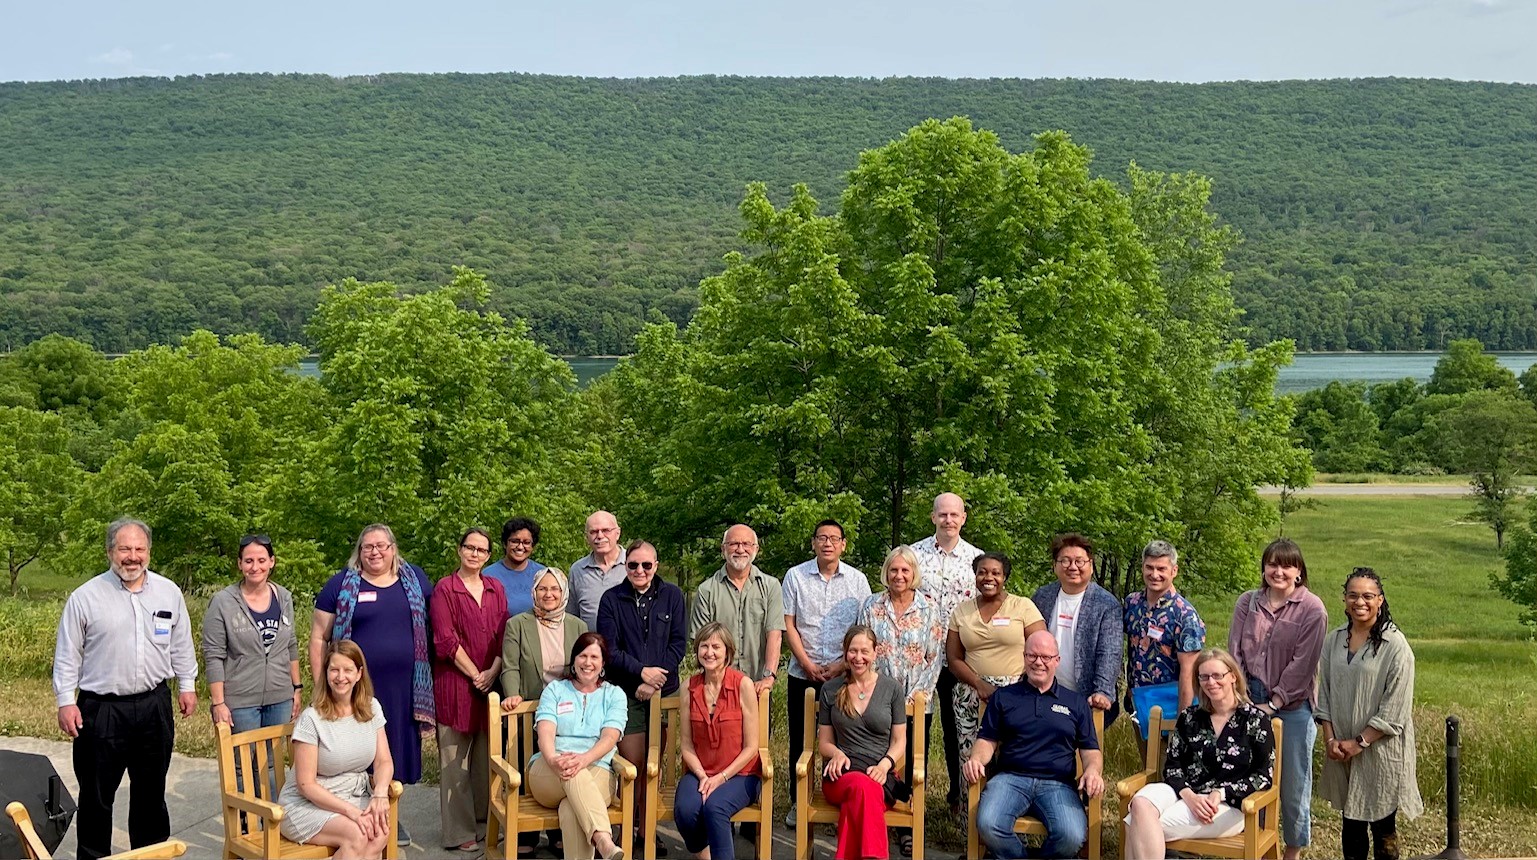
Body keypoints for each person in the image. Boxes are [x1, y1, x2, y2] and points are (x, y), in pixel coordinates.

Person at [53, 518, 198, 860]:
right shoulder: (85, 597)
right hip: (101, 710)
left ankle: (149, 856)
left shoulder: (168, 592)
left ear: (149, 551)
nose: (132, 557)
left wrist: (187, 685)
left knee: (151, 794)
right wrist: (65, 701)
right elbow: (68, 653)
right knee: (96, 796)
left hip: (153, 706)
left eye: (139, 549)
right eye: (124, 549)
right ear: (110, 552)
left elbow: (181, 644)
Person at [309, 523, 434, 848]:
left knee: (394, 750)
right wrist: (321, 685)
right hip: (351, 688)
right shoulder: (340, 585)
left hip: (405, 688)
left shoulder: (416, 580)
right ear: (359, 551)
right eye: (368, 547)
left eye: (382, 546)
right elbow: (319, 637)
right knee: (356, 749)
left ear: (393, 548)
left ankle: (390, 812)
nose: (375, 552)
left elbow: (433, 623)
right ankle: (353, 814)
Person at [1227, 538, 1328, 860]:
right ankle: (1255, 844)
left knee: (1292, 784)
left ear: (1299, 571)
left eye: (1287, 565)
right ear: (1264, 568)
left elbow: (1304, 663)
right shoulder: (1248, 602)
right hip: (1246, 699)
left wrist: (1272, 705)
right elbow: (1235, 652)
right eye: (1272, 564)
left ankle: (1292, 851)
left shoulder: (1312, 609)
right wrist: (1241, 698)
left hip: (1293, 707)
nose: (1278, 571)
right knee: (1248, 776)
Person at [1123, 648, 1275, 859]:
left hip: (1228, 805)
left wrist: (1220, 793)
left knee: (1135, 823)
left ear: (1232, 676)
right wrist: (1188, 795)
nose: (1211, 682)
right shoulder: (1190, 718)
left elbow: (1263, 776)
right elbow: (1172, 767)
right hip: (1183, 794)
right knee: (1140, 804)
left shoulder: (1255, 720)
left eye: (1217, 675)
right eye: (1204, 677)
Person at [966, 631, 1104, 860]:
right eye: (1032, 656)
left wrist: (1092, 771)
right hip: (1010, 779)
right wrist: (976, 760)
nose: (1038, 662)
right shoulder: (1004, 697)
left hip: (1058, 784)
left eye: (1046, 657)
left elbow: (1090, 751)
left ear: (1057, 661)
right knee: (989, 824)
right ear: (1024, 657)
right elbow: (987, 740)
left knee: (1071, 836)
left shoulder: (1075, 702)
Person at [1317, 568, 1422, 860]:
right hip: (1341, 750)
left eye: (1367, 596)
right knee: (1351, 824)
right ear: (1344, 599)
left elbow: (1395, 707)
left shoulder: (1395, 645)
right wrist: (1331, 741)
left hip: (1380, 751)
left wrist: (1359, 742)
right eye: (1353, 595)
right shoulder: (1334, 640)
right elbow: (1323, 692)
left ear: (1380, 600)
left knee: (1383, 827)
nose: (1359, 602)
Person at [597, 540, 687, 856]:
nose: (640, 570)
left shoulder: (673, 596)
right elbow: (609, 649)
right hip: (626, 691)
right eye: (633, 565)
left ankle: (648, 830)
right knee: (632, 764)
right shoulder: (611, 599)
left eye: (646, 565)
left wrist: (654, 678)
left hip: (663, 690)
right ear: (625, 566)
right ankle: (627, 827)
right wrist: (641, 674)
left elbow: (679, 643)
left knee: (654, 764)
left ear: (656, 565)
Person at [855, 545, 944, 858]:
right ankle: (876, 820)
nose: (899, 575)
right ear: (886, 572)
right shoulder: (870, 605)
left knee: (909, 763)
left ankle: (908, 829)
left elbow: (934, 657)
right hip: (876, 699)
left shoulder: (930, 609)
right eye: (894, 570)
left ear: (914, 573)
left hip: (916, 700)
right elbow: (863, 650)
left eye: (905, 570)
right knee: (877, 758)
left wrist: (914, 695)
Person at [781, 519, 871, 827]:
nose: (828, 543)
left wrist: (842, 665)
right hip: (801, 673)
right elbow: (788, 624)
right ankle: (799, 801)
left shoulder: (858, 581)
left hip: (844, 674)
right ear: (813, 543)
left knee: (843, 741)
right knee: (801, 741)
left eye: (834, 538)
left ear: (844, 544)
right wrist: (805, 662)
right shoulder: (795, 576)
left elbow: (864, 630)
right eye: (822, 538)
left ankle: (839, 804)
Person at [203, 534, 303, 806]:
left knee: (271, 763)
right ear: (239, 564)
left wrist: (297, 689)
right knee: (242, 763)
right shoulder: (223, 602)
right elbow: (213, 655)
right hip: (240, 699)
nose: (255, 566)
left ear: (272, 562)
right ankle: (246, 825)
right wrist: (218, 702)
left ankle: (271, 819)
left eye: (261, 560)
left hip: (279, 696)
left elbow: (291, 645)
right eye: (248, 561)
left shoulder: (283, 597)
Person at [431, 527, 511, 853]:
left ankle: (484, 824)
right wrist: (476, 673)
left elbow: (505, 633)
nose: (475, 554)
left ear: (488, 555)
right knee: (455, 765)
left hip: (490, 682)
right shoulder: (445, 589)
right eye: (469, 547)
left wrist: (492, 671)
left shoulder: (495, 587)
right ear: (459, 550)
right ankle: (458, 831)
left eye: (481, 550)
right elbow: (445, 638)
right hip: (455, 685)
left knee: (484, 761)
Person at [277, 639, 394, 860]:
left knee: (379, 833)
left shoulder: (371, 707)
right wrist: (350, 812)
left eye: (348, 670)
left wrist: (380, 794)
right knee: (358, 835)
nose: (341, 677)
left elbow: (383, 762)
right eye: (334, 670)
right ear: (326, 673)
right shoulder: (312, 719)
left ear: (359, 674)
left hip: (353, 795)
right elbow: (306, 785)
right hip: (306, 805)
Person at [501, 566, 589, 857]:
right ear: (534, 592)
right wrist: (512, 693)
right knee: (529, 767)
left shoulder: (578, 626)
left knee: (561, 763)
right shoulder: (518, 624)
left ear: (563, 593)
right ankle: (525, 832)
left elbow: (586, 665)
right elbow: (510, 665)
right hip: (529, 704)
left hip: (566, 709)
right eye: (543, 589)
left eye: (555, 589)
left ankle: (557, 833)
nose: (549, 594)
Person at [913, 492, 985, 815]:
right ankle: (914, 799)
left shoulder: (977, 559)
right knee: (919, 728)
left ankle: (958, 797)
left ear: (963, 518)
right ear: (933, 517)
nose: (948, 520)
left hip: (962, 657)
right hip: (922, 656)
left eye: (954, 515)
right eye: (942, 515)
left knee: (960, 728)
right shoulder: (913, 555)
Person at [528, 631, 628, 860]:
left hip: (597, 769)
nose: (588, 663)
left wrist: (584, 759)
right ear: (574, 660)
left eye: (594, 657)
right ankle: (603, 839)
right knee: (574, 775)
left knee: (572, 808)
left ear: (603, 663)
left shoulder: (614, 695)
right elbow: (545, 732)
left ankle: (600, 839)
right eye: (583, 656)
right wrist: (553, 759)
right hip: (549, 770)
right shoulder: (555, 690)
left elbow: (609, 738)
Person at [815, 625, 907, 860]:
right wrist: (835, 754)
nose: (859, 658)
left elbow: (899, 741)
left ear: (875, 653)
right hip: (841, 774)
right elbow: (824, 742)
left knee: (860, 796)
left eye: (865, 651)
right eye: (853, 651)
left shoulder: (892, 689)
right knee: (862, 786)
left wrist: (885, 765)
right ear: (845, 653)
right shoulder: (830, 689)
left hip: (880, 775)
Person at [946, 553, 1045, 765]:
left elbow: (1041, 649)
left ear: (1005, 577)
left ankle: (1008, 796)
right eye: (982, 572)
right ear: (975, 576)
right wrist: (978, 684)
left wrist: (1020, 688)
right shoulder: (961, 611)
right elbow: (954, 658)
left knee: (1012, 754)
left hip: (1016, 691)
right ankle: (971, 799)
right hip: (971, 692)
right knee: (970, 756)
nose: (988, 577)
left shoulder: (1023, 606)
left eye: (995, 573)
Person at [674, 623, 762, 860]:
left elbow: (752, 747)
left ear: (728, 652)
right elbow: (686, 745)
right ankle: (704, 852)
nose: (709, 652)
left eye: (716, 646)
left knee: (715, 808)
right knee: (685, 810)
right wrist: (704, 776)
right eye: (704, 646)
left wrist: (720, 778)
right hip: (701, 772)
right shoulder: (688, 688)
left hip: (741, 775)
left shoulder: (743, 685)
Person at [1029, 533, 1123, 720]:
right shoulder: (1043, 596)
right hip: (1044, 692)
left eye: (1079, 561)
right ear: (1054, 565)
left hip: (1086, 698)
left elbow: (1110, 652)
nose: (1072, 567)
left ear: (1091, 564)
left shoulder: (1106, 604)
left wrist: (1102, 691)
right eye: (1065, 561)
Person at [689, 524, 784, 696]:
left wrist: (768, 677)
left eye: (746, 544)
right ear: (723, 549)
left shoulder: (771, 587)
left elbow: (774, 634)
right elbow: (700, 641)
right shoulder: (707, 590)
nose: (740, 549)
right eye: (733, 544)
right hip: (718, 689)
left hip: (758, 687)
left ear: (756, 549)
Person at [1123, 540, 1205, 733]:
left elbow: (1189, 671)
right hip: (1138, 698)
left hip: (1170, 700)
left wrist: (1182, 720)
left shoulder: (1185, 615)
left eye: (1161, 569)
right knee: (1146, 761)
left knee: (1167, 761)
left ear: (1173, 571)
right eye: (1149, 568)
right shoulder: (1132, 603)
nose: (1155, 575)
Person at [570, 510, 628, 629]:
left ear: (617, 533)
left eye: (606, 530)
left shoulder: (635, 566)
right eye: (594, 532)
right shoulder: (578, 570)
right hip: (590, 645)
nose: (600, 536)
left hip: (629, 646)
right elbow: (571, 617)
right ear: (587, 537)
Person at [483, 516, 548, 618]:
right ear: (505, 543)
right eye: (515, 541)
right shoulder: (488, 575)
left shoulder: (542, 574)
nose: (520, 547)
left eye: (526, 542)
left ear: (533, 546)